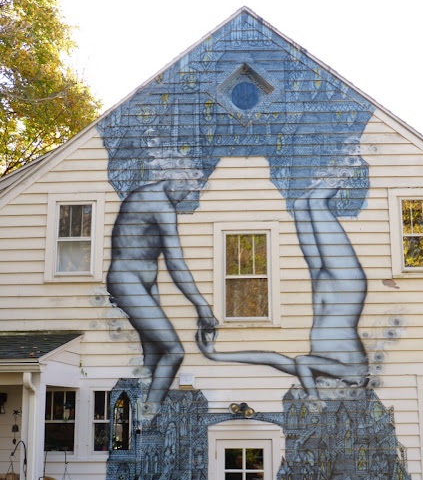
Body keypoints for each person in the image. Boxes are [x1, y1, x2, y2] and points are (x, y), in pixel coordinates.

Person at [197, 168, 368, 399]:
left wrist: (215, 355)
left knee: (301, 206)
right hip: (347, 288)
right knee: (317, 204)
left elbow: (272, 358)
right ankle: (348, 164)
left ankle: (340, 168)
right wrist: (314, 398)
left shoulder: (317, 370)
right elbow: (303, 361)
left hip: (323, 290)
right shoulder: (355, 376)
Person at [107, 151, 218, 406]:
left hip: (145, 283)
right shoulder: (160, 205)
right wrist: (202, 305)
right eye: (187, 192)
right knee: (174, 351)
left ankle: (139, 414)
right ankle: (150, 411)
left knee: (154, 354)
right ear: (178, 182)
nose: (185, 199)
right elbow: (175, 263)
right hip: (127, 281)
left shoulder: (148, 196)